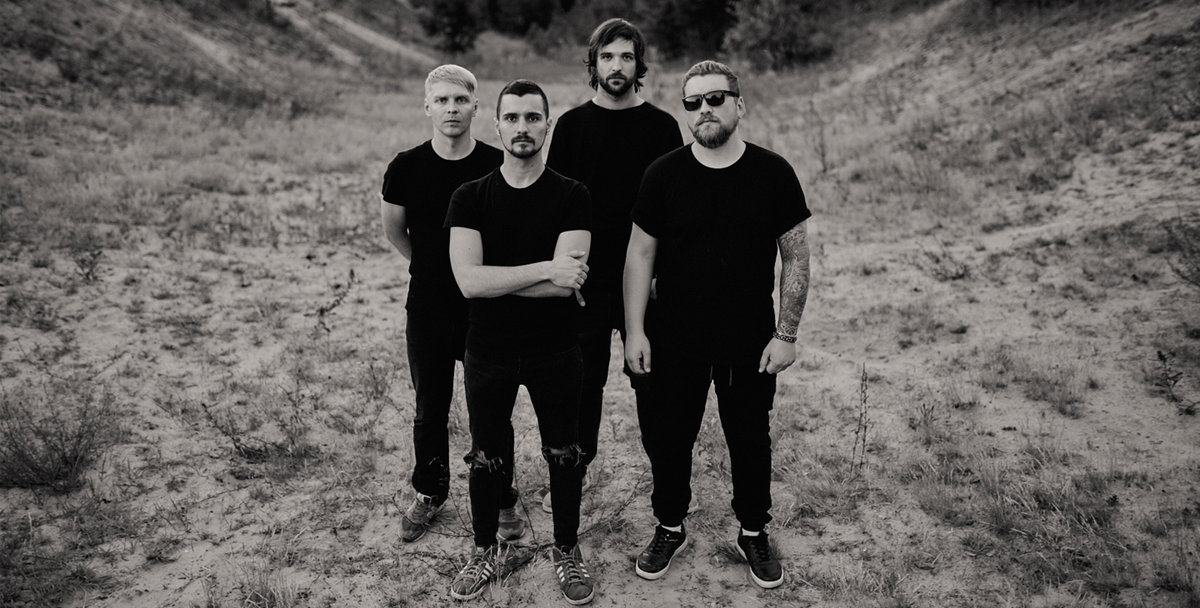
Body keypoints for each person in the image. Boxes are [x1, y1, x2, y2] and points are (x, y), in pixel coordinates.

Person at [623, 60, 812, 590]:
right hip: (673, 335)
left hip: (749, 338)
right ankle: (669, 525)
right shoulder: (663, 174)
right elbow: (639, 255)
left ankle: (753, 531)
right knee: (669, 437)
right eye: (693, 102)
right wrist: (635, 330)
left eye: (715, 98)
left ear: (739, 105)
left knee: (750, 437)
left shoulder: (773, 172)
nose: (704, 109)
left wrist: (787, 334)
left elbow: (796, 257)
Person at [445, 79, 596, 605]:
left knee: (565, 452)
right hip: (488, 349)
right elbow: (468, 282)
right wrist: (544, 269)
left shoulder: (573, 195)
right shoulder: (470, 197)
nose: (522, 127)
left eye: (533, 117)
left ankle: (567, 549)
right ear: (497, 125)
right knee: (486, 454)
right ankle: (485, 549)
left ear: (547, 124)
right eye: (512, 118)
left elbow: (567, 285)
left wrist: (509, 279)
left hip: (556, 348)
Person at [380, 65, 525, 544]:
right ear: (427, 106)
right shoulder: (406, 167)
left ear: (476, 107)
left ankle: (501, 494)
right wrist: (433, 268)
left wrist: (477, 279)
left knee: (491, 410)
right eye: (441, 100)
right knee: (430, 408)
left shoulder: (496, 164)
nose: (451, 109)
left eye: (460, 100)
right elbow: (395, 232)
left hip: (485, 309)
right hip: (428, 308)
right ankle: (430, 490)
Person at [542, 18, 682, 513]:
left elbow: (676, 210)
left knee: (655, 388)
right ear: (594, 64)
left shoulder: (662, 127)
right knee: (582, 389)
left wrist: (664, 273)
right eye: (607, 57)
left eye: (626, 57)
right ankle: (571, 486)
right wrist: (563, 271)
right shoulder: (571, 127)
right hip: (586, 285)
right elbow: (555, 206)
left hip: (647, 284)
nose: (616, 66)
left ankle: (669, 494)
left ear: (639, 65)